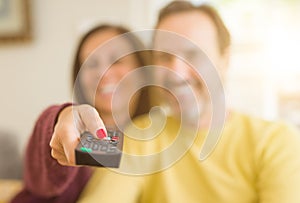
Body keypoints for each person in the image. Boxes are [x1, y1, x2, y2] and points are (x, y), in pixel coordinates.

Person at [12, 1, 300, 203]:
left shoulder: (277, 141)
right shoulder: (138, 136)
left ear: (225, 58)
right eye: (164, 56)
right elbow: (66, 148)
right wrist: (62, 116)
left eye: (193, 53)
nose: (175, 71)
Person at [11, 24, 151, 202]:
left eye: (117, 60)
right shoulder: (75, 133)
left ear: (142, 70)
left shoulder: (160, 138)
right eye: (91, 64)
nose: (103, 73)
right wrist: (61, 119)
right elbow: (40, 173)